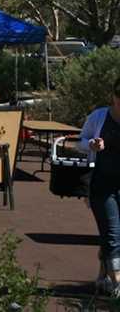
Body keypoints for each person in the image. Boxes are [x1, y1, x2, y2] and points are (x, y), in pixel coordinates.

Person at [80, 77, 120, 297]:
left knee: (111, 236)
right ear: (113, 97)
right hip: (102, 185)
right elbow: (80, 141)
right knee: (113, 234)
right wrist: (91, 145)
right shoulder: (99, 117)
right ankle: (118, 285)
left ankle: (103, 275)